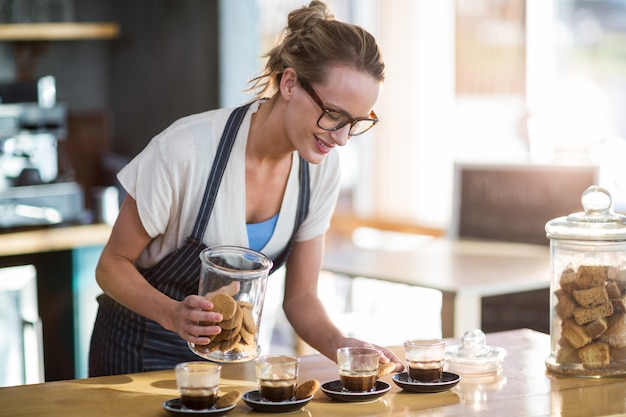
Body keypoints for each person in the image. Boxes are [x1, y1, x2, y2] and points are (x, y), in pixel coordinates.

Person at [88, 0, 403, 376]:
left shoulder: (319, 171)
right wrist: (172, 314)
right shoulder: (186, 150)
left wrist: (342, 345)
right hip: (137, 354)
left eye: (354, 123)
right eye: (333, 115)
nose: (341, 138)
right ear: (289, 83)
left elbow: (301, 298)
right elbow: (110, 266)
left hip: (232, 357)